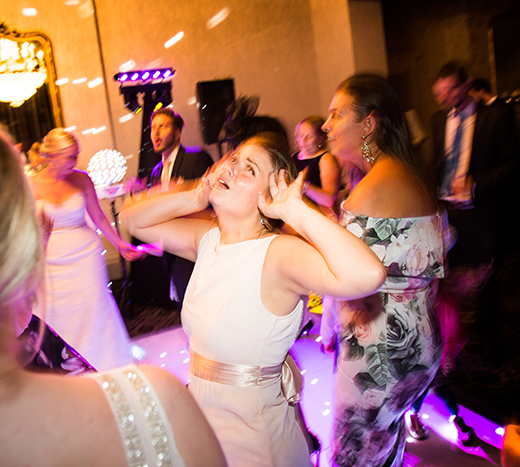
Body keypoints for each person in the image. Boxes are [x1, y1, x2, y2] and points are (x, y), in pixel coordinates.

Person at [0, 92, 227, 467]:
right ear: (20, 248)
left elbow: (103, 220)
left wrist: (117, 243)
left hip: (82, 263)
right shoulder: (154, 408)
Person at [119, 130, 386, 466]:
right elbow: (131, 219)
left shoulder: (278, 255)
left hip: (255, 438)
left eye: (249, 170)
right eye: (232, 161)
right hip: (206, 421)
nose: (229, 169)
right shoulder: (208, 239)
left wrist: (295, 210)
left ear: (269, 195)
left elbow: (368, 275)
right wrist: (195, 196)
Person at [321, 74, 446, 467]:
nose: (326, 125)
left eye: (336, 114)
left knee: (354, 458)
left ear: (369, 124)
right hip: (414, 342)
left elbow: (337, 272)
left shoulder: (374, 187)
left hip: (380, 353)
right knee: (384, 448)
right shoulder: (405, 173)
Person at [29, 127, 147, 371]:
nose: (75, 161)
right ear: (52, 156)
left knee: (94, 307)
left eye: (76, 155)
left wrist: (121, 245)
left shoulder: (82, 179)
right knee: (56, 312)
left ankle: (108, 364)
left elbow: (101, 218)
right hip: (51, 260)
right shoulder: (32, 186)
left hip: (85, 255)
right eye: (70, 156)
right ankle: (68, 366)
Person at [430, 61, 520, 366]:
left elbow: (514, 164)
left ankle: (491, 342)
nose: (443, 98)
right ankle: (454, 340)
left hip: (481, 211)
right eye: (439, 93)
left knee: (486, 279)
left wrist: (476, 183)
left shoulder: (496, 116)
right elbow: (437, 164)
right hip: (448, 213)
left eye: (450, 90)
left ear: (466, 85)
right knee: (447, 280)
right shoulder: (438, 120)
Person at [147, 108, 214, 308]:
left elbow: (212, 199)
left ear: (177, 133)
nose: (156, 133)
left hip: (197, 247)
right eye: (153, 128)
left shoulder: (196, 158)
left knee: (205, 306)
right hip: (172, 252)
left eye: (163, 126)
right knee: (185, 308)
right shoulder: (156, 171)